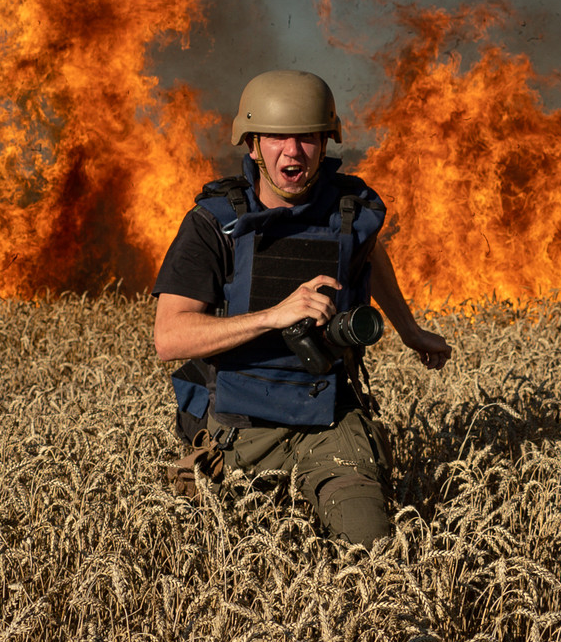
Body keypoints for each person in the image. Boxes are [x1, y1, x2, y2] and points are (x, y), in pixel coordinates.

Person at [151, 69, 452, 546]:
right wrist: (273, 316)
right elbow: (170, 337)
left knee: (371, 555)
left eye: (307, 137)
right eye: (276, 137)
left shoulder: (349, 213)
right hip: (240, 430)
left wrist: (411, 331)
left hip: (332, 421)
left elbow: (370, 255)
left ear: (325, 142)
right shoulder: (214, 224)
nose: (292, 152)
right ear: (252, 145)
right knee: (212, 559)